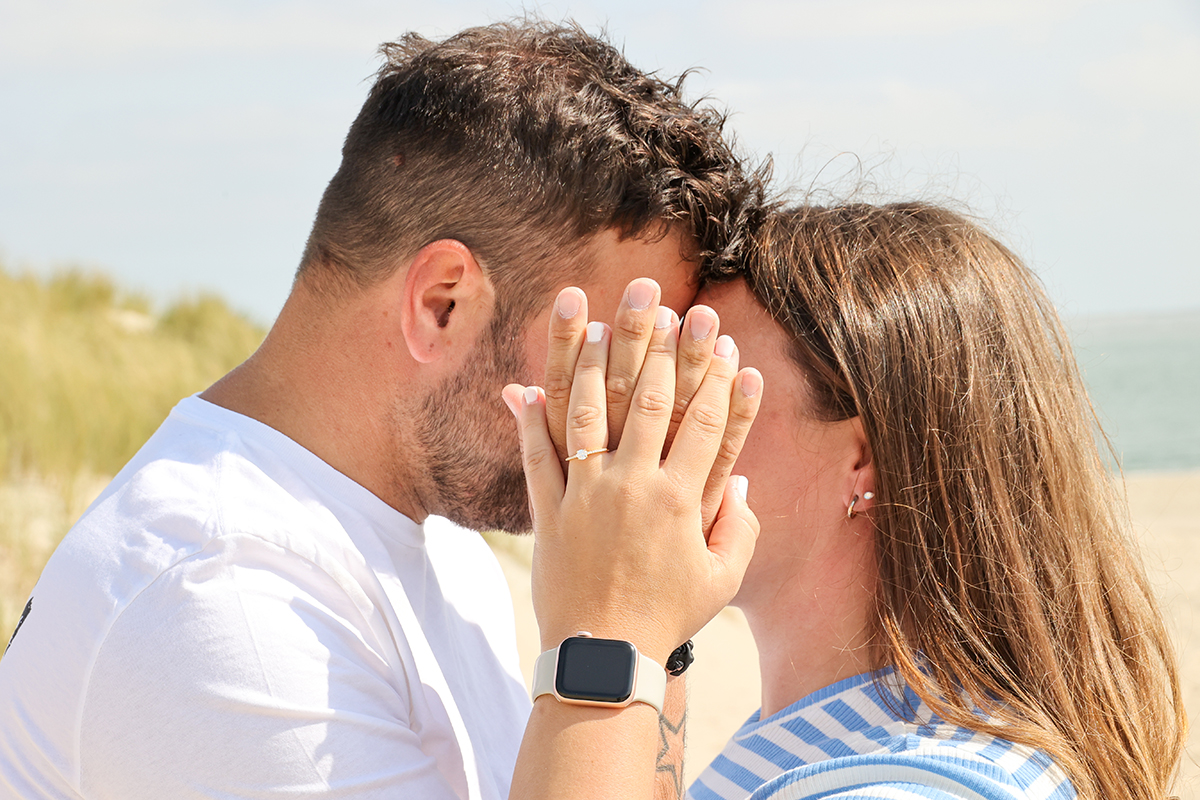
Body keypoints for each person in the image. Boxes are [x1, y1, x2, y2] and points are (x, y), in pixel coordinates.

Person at [0, 20, 760, 800]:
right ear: (442, 304)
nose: (627, 414)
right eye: (608, 356)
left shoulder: (442, 548)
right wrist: (614, 628)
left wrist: (652, 635)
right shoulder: (217, 601)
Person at [504, 202, 1185, 800]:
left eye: (707, 385)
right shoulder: (863, 739)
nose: (656, 419)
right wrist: (648, 632)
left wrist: (598, 630)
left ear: (863, 460)